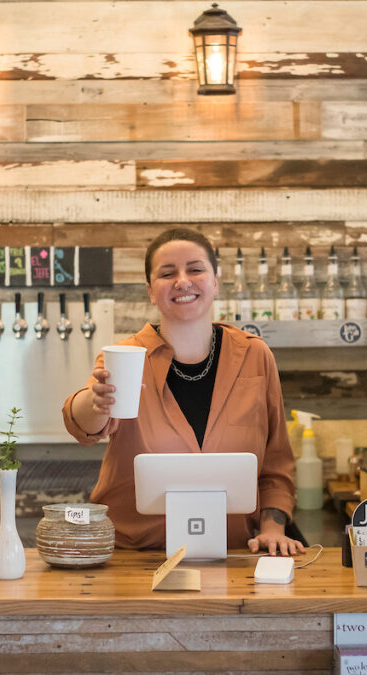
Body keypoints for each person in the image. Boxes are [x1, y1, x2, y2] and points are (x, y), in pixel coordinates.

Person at [62, 228, 304, 556]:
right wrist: (95, 401)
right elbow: (84, 425)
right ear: (150, 291)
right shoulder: (125, 356)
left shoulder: (254, 355)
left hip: (231, 554)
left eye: (195, 269)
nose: (182, 280)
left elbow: (275, 462)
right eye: (167, 273)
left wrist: (273, 528)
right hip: (135, 558)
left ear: (215, 281)